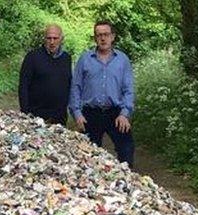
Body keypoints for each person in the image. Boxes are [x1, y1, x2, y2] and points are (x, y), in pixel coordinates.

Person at [69, 21, 135, 168]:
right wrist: (77, 113)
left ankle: (126, 184)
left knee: (127, 149)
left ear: (113, 37)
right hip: (90, 114)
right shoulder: (85, 59)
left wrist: (125, 113)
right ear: (95, 38)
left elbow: (128, 90)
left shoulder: (122, 60)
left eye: (106, 34)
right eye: (99, 35)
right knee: (87, 155)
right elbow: (76, 87)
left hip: (116, 113)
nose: (103, 38)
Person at [18, 25, 72, 126]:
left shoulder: (66, 58)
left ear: (61, 39)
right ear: (44, 39)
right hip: (36, 116)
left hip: (59, 117)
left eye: (55, 38)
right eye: (49, 38)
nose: (52, 42)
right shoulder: (32, 57)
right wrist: (25, 113)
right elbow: (23, 86)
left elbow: (68, 84)